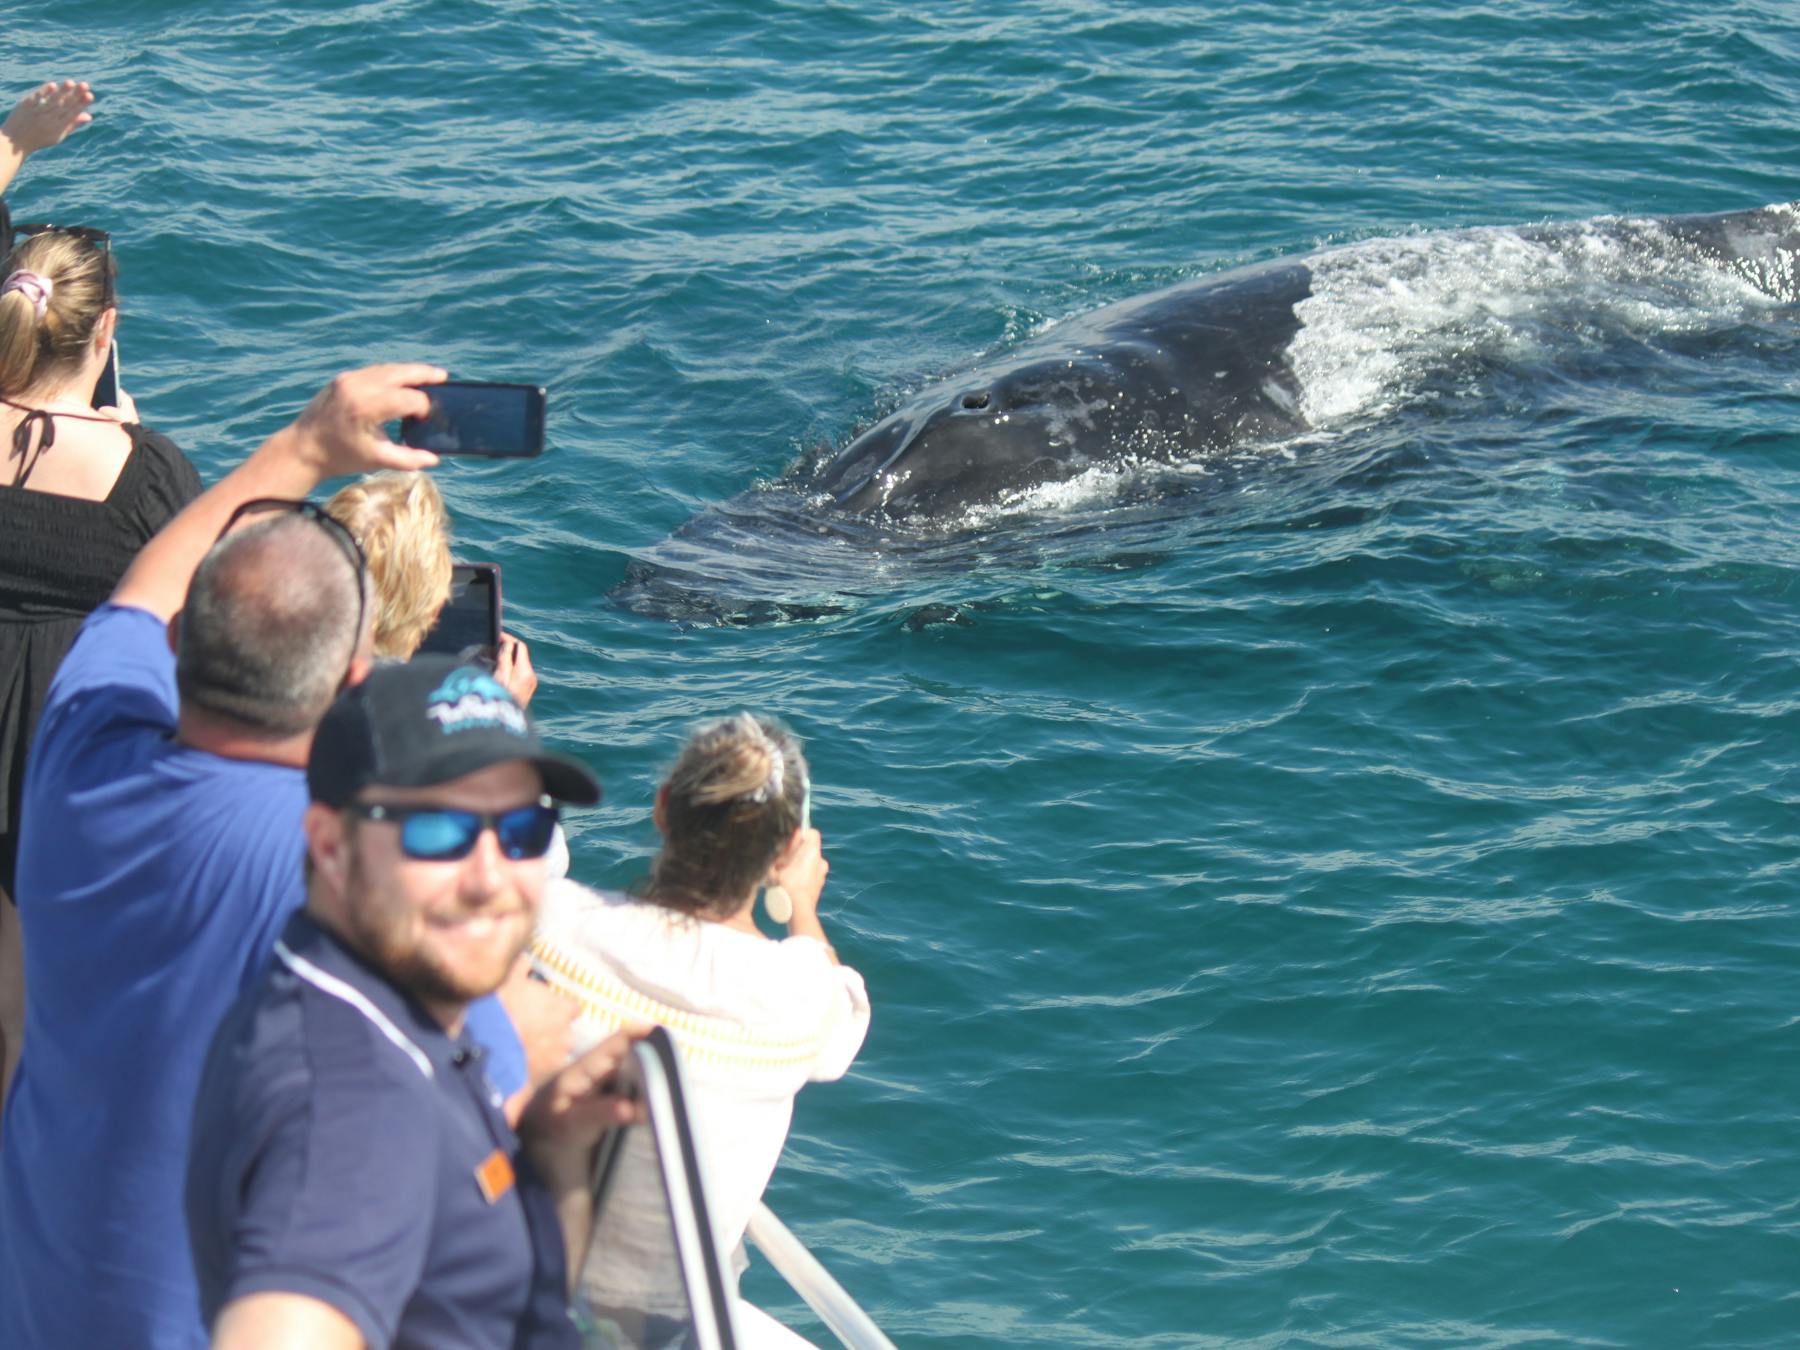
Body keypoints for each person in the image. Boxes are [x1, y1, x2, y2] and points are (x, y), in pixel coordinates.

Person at [0, 364, 447, 1350]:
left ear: (177, 645)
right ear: (358, 677)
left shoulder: (79, 751)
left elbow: (142, 588)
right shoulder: (354, 872)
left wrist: (305, 446)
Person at [187, 658, 638, 1349]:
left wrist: (551, 1152)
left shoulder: (363, 999)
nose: (491, 877)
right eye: (438, 829)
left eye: (522, 827)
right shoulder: (358, 1101)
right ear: (331, 846)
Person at [530, 713, 870, 1332]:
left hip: (525, 1279)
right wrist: (802, 912)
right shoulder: (800, 1003)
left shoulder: (548, 922)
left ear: (663, 808)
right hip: (671, 1325)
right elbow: (835, 1011)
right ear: (787, 851)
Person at [0, 79, 154, 1113]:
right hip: (65, 754)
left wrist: (13, 140)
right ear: (106, 335)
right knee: (52, 1019)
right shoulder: (147, 480)